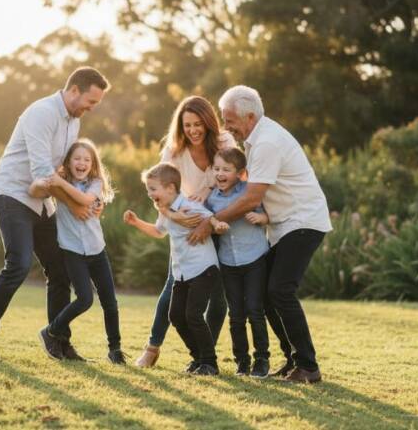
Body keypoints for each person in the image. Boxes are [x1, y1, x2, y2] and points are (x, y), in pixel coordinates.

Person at [188, 85, 332, 384]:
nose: (226, 126)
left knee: (279, 290)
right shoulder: (257, 138)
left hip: (302, 221)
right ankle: (294, 360)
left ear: (249, 116)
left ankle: (308, 366)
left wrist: (210, 221)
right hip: (286, 223)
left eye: (229, 120)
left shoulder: (266, 142)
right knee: (269, 292)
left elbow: (251, 198)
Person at [0, 67, 110, 362]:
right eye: (90, 101)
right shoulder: (42, 113)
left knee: (60, 270)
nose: (91, 108)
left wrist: (92, 199)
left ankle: (59, 341)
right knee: (18, 264)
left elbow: (65, 174)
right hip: (13, 194)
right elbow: (43, 174)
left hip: (43, 201)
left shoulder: (73, 122)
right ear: (74, 91)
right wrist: (74, 204)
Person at [133, 96, 235, 368]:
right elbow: (158, 190)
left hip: (219, 219)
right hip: (186, 221)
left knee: (218, 295)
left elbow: (236, 176)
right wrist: (173, 215)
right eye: (187, 125)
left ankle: (206, 356)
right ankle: (152, 348)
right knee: (172, 288)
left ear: (209, 123)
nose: (193, 130)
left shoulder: (224, 142)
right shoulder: (174, 151)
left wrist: (206, 191)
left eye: (198, 124)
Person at [124, 163, 227, 375]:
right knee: (176, 316)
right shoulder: (166, 211)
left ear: (170, 188)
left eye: (153, 189)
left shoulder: (188, 206)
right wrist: (136, 222)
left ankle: (209, 363)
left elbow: (209, 217)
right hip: (182, 272)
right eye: (148, 189)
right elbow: (159, 232)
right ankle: (198, 358)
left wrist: (216, 226)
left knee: (193, 315)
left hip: (203, 268)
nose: (149, 193)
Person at [30, 139, 125, 364]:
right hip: (72, 252)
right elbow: (33, 190)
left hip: (96, 251)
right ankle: (51, 331)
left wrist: (60, 184)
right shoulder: (58, 181)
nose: (82, 163)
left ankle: (115, 349)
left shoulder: (95, 183)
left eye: (87, 159)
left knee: (110, 302)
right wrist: (52, 180)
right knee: (84, 299)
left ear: (93, 165)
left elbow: (83, 199)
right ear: (68, 162)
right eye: (77, 158)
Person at [204, 147, 271, 378]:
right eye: (217, 168)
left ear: (240, 173)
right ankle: (242, 361)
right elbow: (205, 221)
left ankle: (262, 359)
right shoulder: (211, 198)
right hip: (228, 263)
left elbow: (269, 214)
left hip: (254, 259)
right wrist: (214, 224)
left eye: (226, 169)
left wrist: (261, 217)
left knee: (254, 310)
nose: (220, 173)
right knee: (236, 314)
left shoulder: (248, 192)